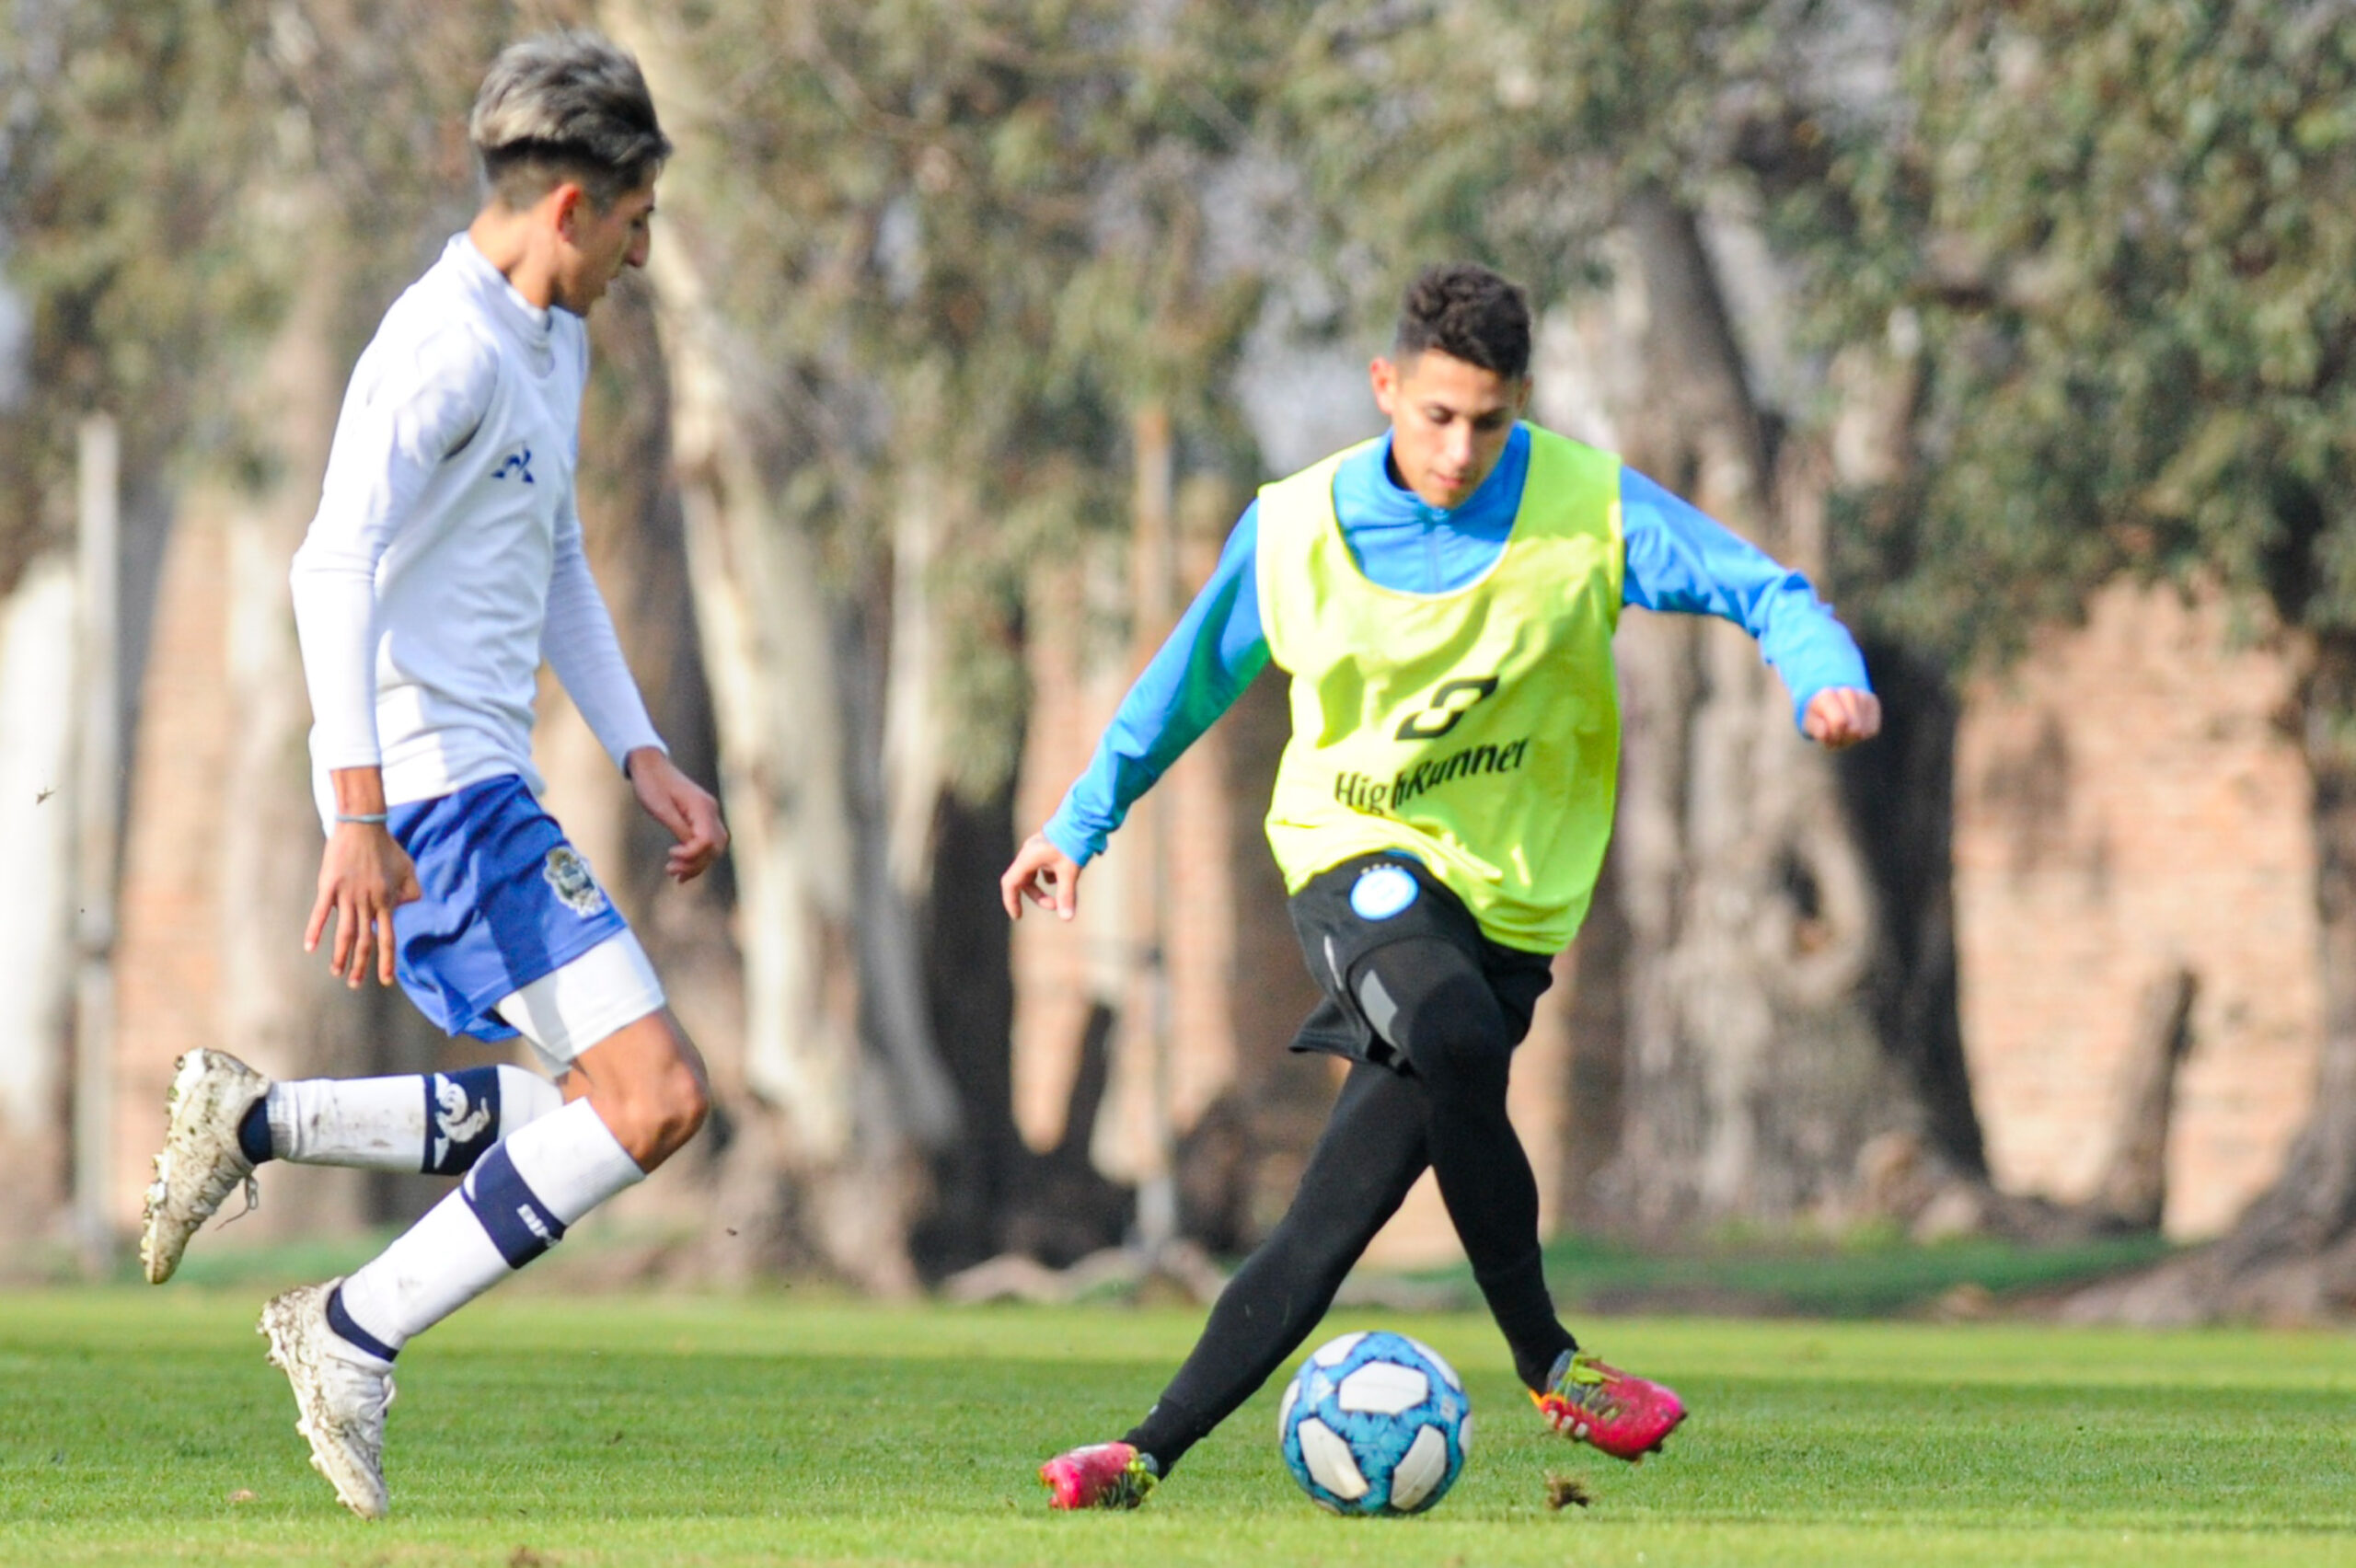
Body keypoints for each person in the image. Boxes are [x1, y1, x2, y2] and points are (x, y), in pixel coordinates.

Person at [1006, 262, 1882, 1508]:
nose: (1461, 451)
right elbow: (1186, 680)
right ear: (1385, 387)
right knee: (1454, 1029)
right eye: (1436, 416)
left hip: (1513, 903)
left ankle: (1142, 1453)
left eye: (1489, 421)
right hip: (1351, 853)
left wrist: (1822, 669)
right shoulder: (1298, 527)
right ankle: (1552, 1363)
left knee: (1336, 1210)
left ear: (1521, 402)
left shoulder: (1584, 508)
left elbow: (1760, 588)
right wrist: (1077, 823)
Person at [134, 32, 724, 1521]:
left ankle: (255, 1124)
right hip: (437, 795)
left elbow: (557, 556)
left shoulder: (553, 343)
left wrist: (641, 750)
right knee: (653, 1100)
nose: (643, 257)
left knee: (577, 1111)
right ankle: (351, 1329)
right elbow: (328, 562)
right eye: (638, 222)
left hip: (483, 785)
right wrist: (359, 813)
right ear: (573, 206)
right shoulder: (440, 346)